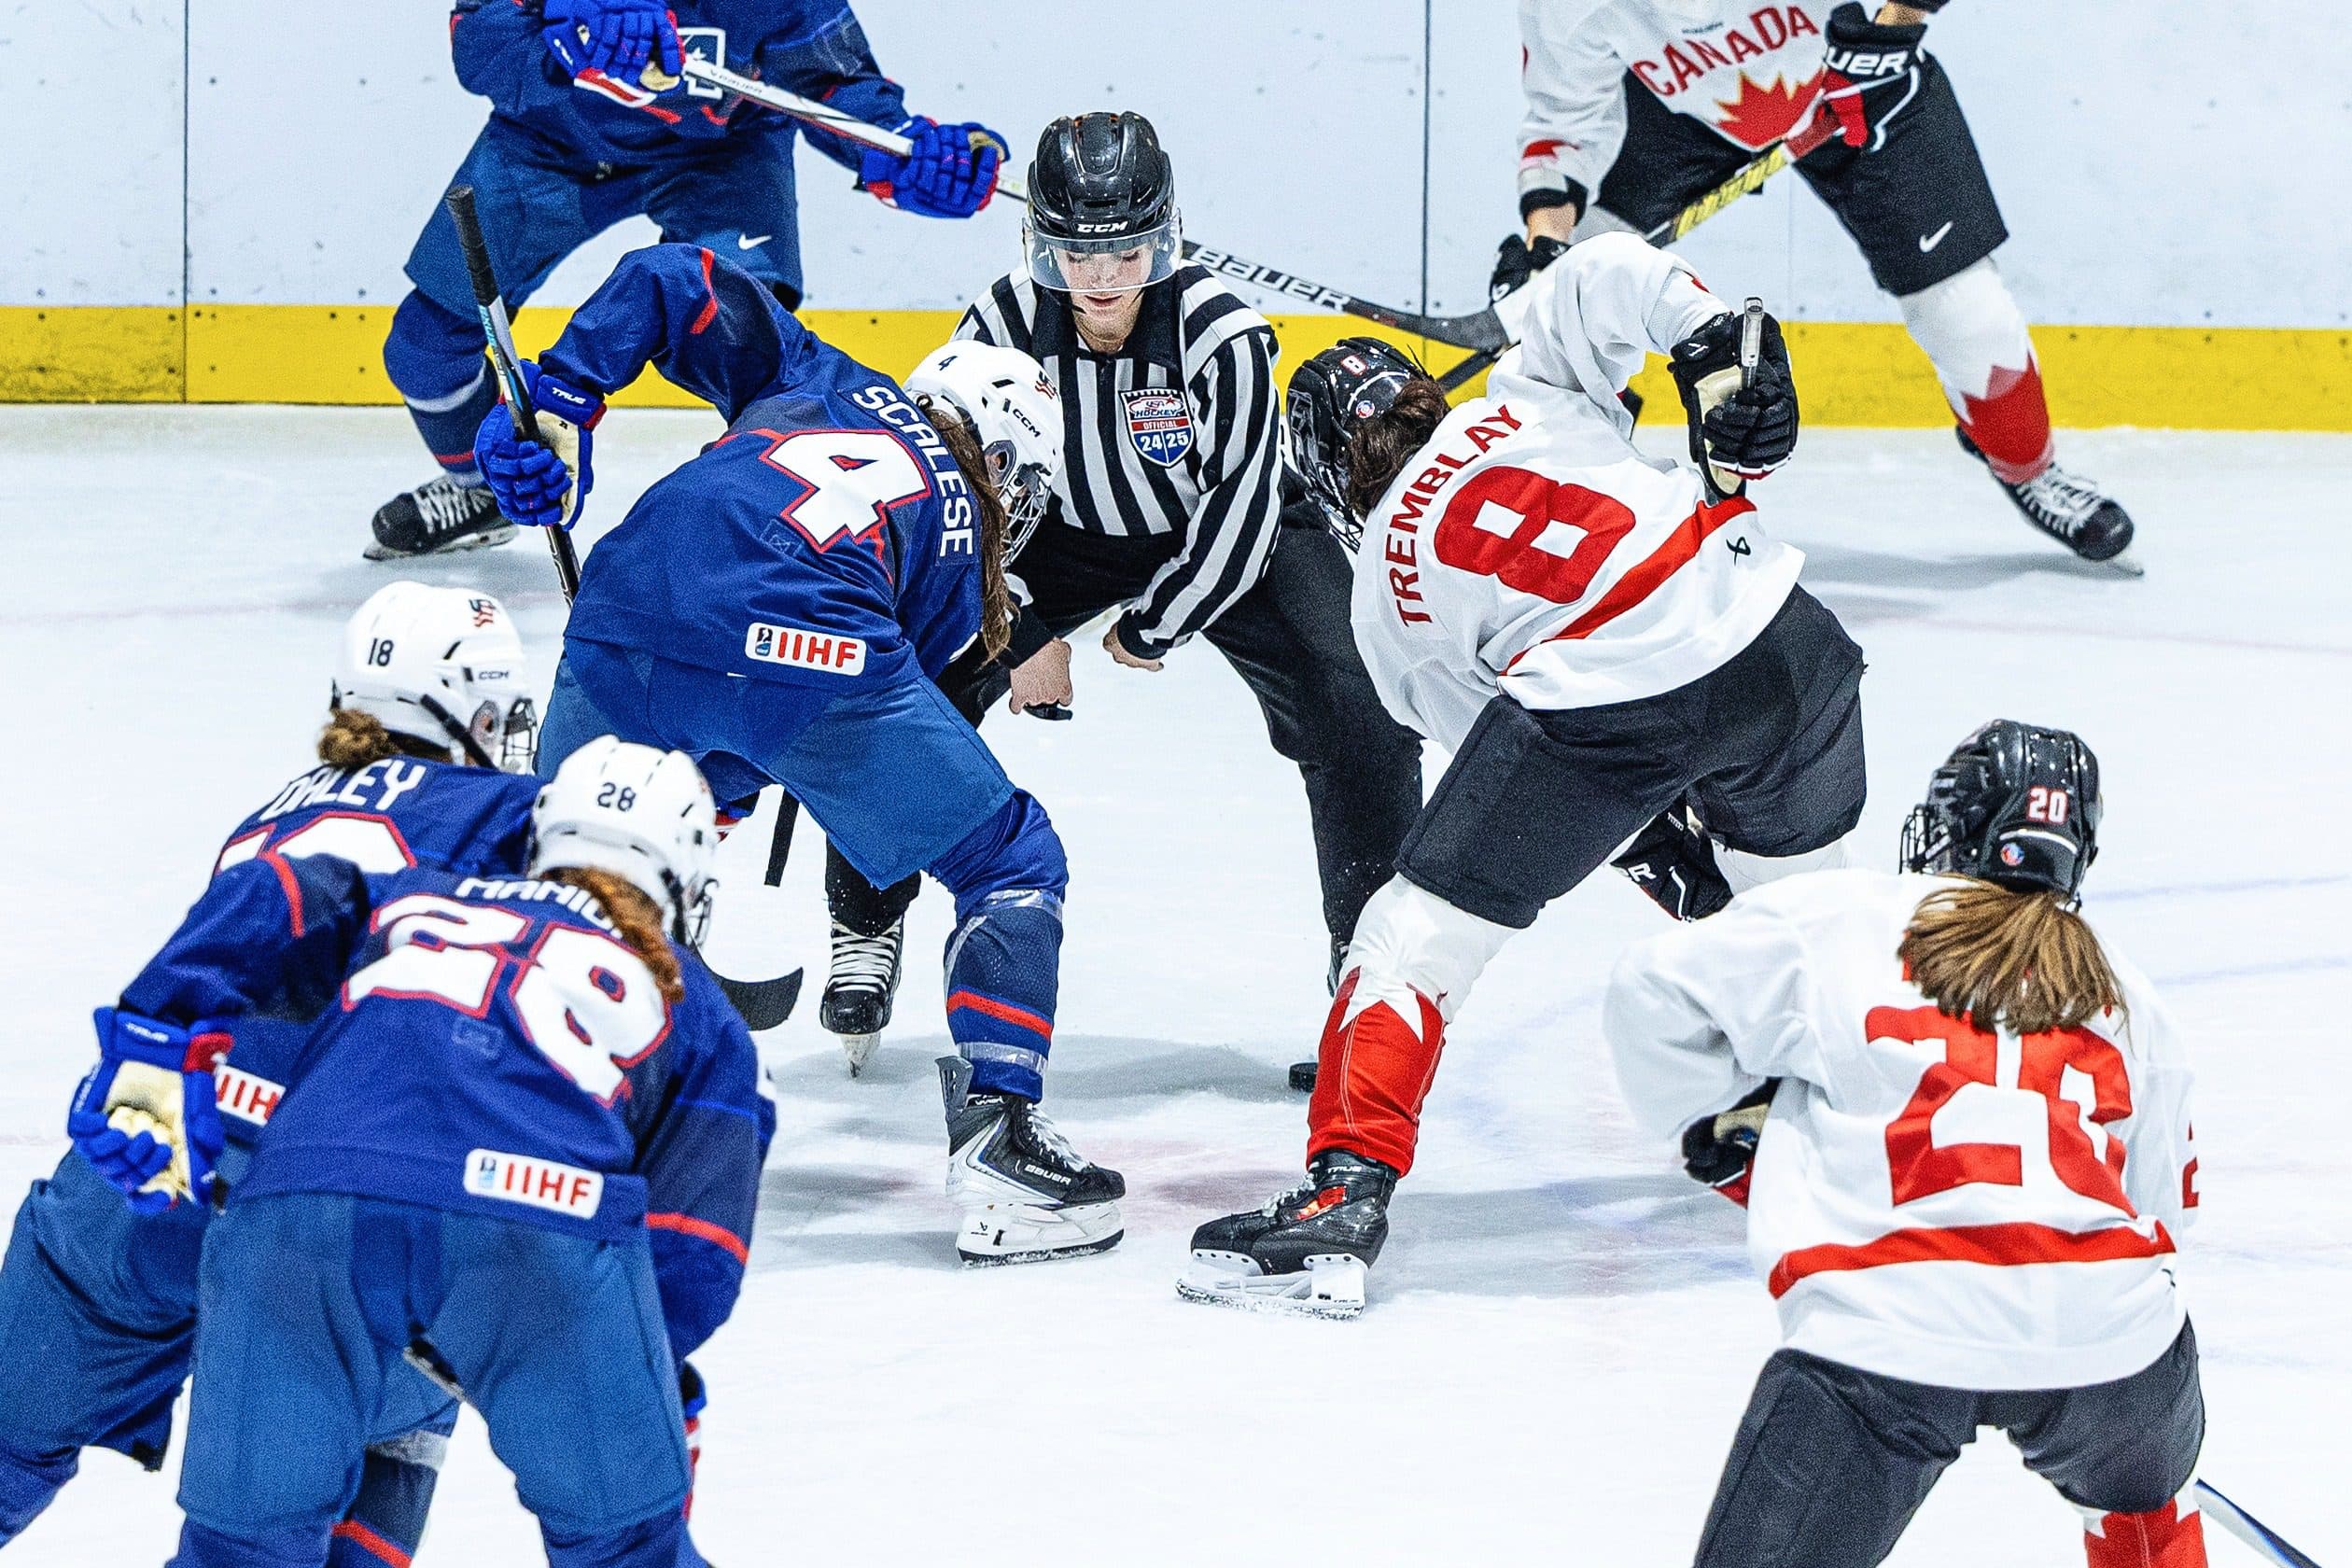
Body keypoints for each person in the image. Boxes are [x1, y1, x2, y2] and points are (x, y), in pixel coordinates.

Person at [1180, 231, 1865, 1318]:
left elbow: (1508, 750)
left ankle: (1344, 1193)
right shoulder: (1531, 392)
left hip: (1610, 698)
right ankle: (1908, 1134)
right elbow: (1606, 269)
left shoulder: (1381, 601)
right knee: (1810, 924)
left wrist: (1654, 853)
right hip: (1789, 646)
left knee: (1414, 937)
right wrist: (1718, 353)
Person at [474, 240, 1125, 1263]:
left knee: (582, 870)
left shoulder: (822, 378)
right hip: (808, 641)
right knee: (1010, 860)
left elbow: (679, 277)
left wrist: (562, 397)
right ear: (999, 459)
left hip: (628, 594)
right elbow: (816, 715)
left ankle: (506, 1123)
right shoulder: (965, 536)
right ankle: (1005, 1145)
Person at [817, 110, 1424, 1079]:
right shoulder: (1002, 322)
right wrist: (1016, 633)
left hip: (1235, 542)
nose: (1102, 280)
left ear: (1166, 236)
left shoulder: (1224, 332)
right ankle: (865, 917)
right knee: (912, 675)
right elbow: (966, 498)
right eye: (1074, 254)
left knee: (1364, 710)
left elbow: (1242, 507)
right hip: (1059, 534)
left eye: (1129, 252)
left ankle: (1373, 983)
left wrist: (1153, 628)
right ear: (1039, 243)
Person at [73, 737, 770, 1568]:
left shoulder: (413, 901)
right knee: (630, 1549)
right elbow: (694, 1261)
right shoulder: (700, 1015)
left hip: (297, 1200)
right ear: (688, 876)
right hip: (536, 1219)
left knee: (239, 1551)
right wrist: (628, 1378)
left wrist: (153, 1037)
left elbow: (270, 891)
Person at [0, 582, 541, 1561]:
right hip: (321, 1218)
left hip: (145, 1167)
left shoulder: (285, 805)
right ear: (481, 709)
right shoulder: (509, 813)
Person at [1602, 721, 2205, 1567]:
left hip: (1886, 1334)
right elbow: (2162, 1212)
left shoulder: (1850, 917)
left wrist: (1720, 1124)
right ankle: (2146, 1525)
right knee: (2147, 1494)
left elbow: (1648, 992)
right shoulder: (2120, 983)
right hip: (2113, 1360)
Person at [1501, 0, 2136, 567]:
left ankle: (2029, 467)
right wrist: (1548, 244)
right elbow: (1563, 124)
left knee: (1971, 320)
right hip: (1688, 120)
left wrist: (1895, 27)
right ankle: (1561, 497)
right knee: (1565, 297)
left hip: (1868, 75)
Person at [369, 0, 1006, 561]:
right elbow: (477, 42)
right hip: (548, 144)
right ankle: (484, 494)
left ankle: (795, 525)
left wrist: (903, 152)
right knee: (424, 347)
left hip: (720, 156)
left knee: (751, 343)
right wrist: (564, 42)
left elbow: (830, 86)